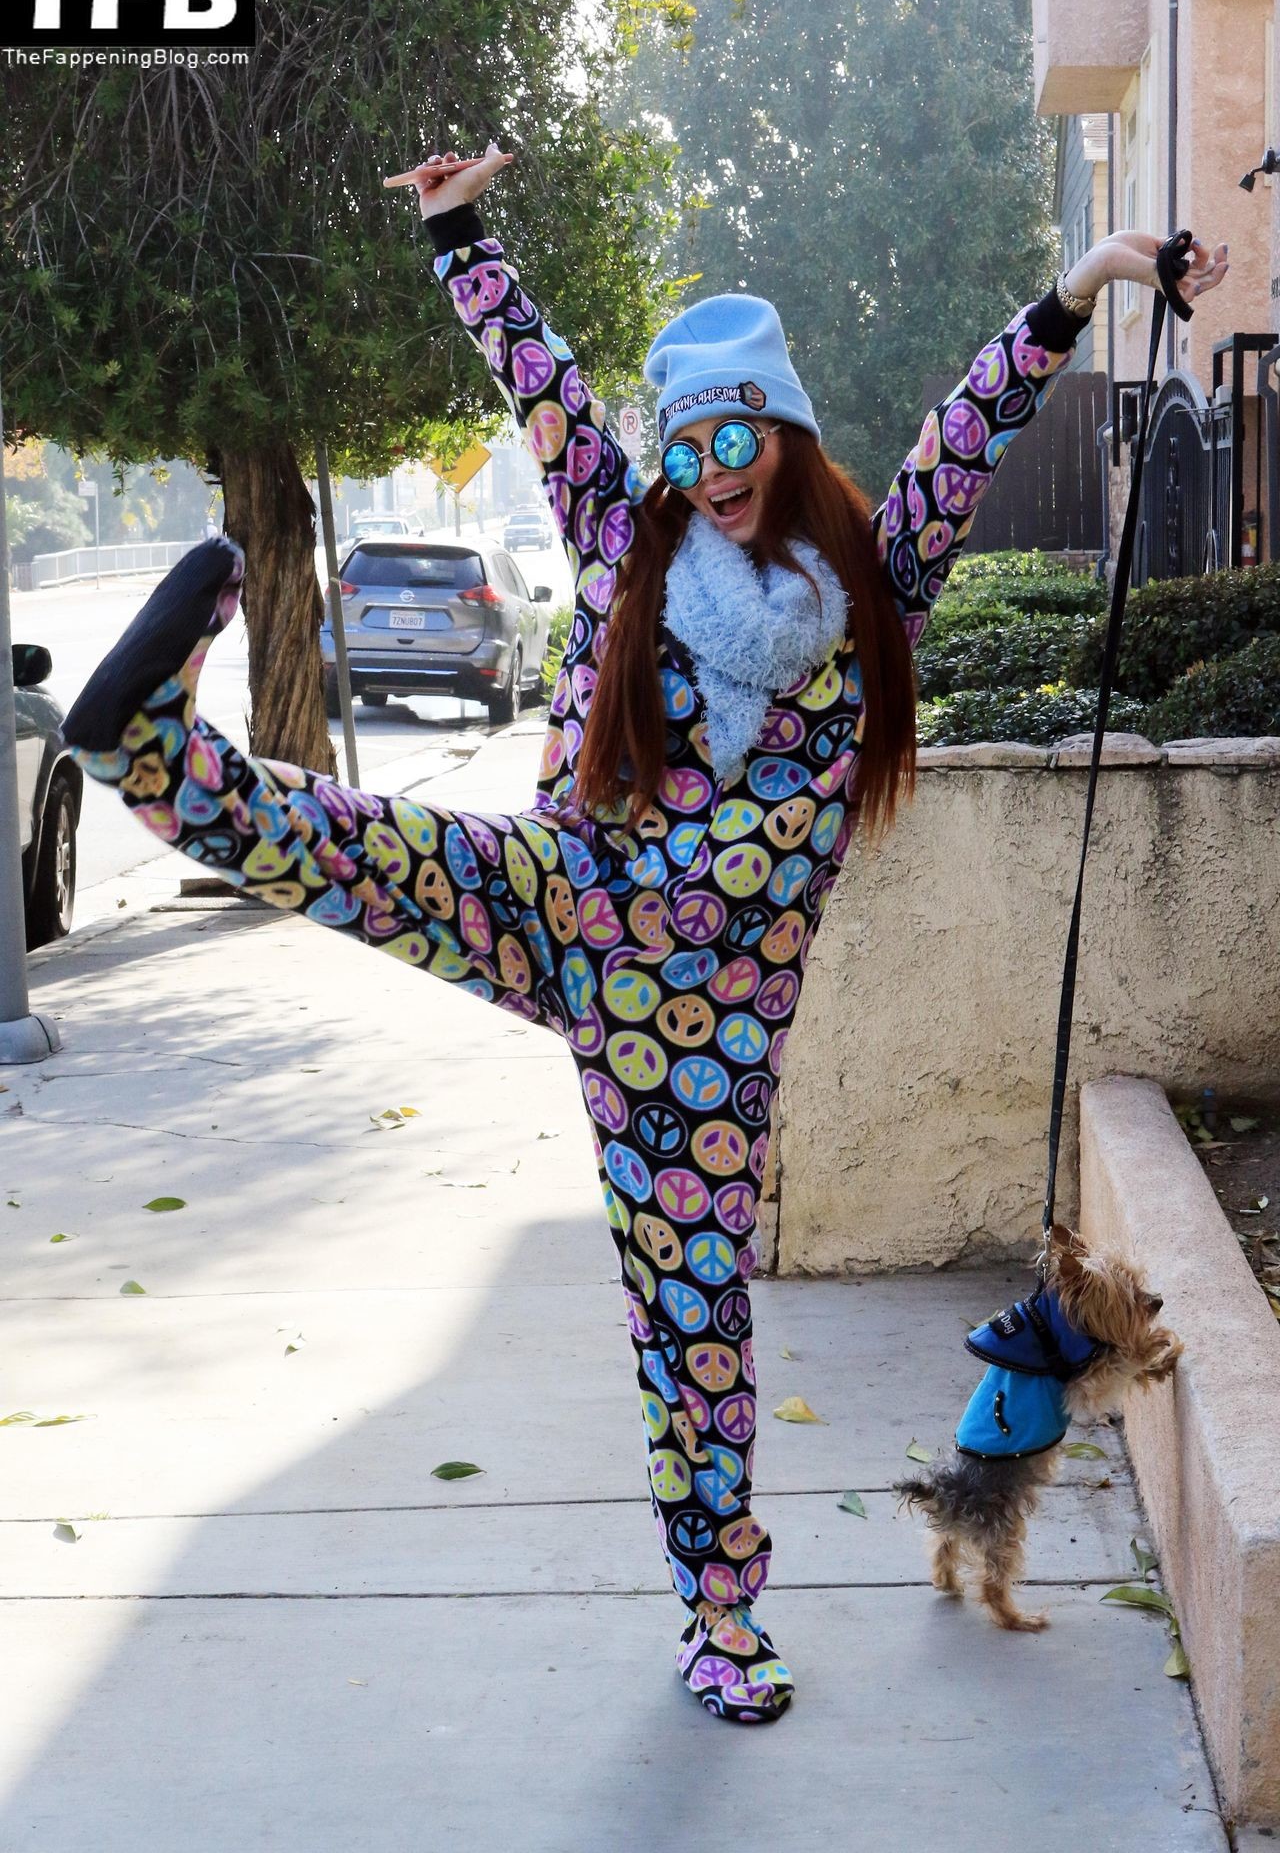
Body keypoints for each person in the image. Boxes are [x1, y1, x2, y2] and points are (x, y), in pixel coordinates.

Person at [61, 144, 1228, 1725]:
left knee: (697, 1331)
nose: (711, 468)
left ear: (785, 434)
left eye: (737, 435)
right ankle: (151, 759)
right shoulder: (633, 543)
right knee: (371, 849)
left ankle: (723, 1623)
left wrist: (1084, 286)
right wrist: (459, 233)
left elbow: (968, 433)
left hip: (709, 1044)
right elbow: (543, 389)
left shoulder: (868, 590)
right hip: (566, 904)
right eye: (686, 444)